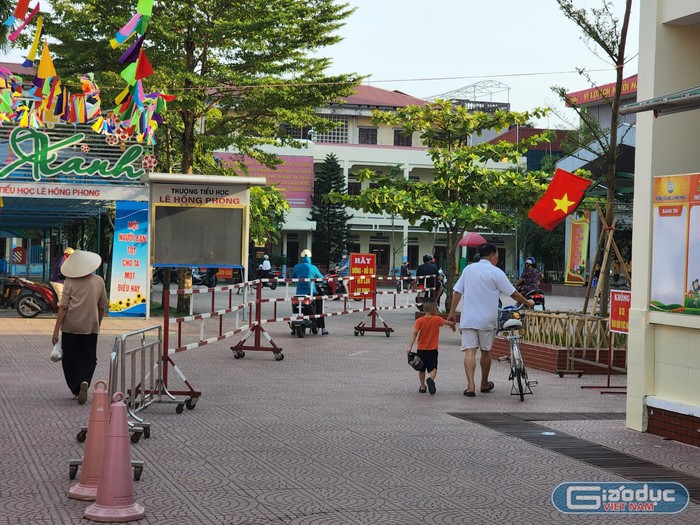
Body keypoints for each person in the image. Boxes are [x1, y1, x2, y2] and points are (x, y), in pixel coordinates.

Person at [446, 243, 535, 397]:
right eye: (497, 256)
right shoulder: (496, 272)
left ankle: (470, 386)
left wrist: (452, 313)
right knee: (486, 351)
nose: (497, 259)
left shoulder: (468, 270)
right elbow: (513, 293)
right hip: (487, 319)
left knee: (470, 351)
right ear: (492, 256)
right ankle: (484, 383)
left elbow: (457, 292)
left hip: (469, 318)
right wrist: (528, 302)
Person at [51, 250, 107, 405]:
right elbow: (101, 306)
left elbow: (63, 307)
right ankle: (85, 381)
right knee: (89, 358)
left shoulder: (70, 281)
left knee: (69, 359)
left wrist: (56, 330)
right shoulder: (99, 281)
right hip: (91, 326)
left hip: (70, 326)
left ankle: (76, 389)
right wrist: (98, 323)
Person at [406, 299, 455, 395]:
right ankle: (431, 379)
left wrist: (409, 347)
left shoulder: (419, 321)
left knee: (421, 368)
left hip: (421, 349)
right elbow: (447, 322)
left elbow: (414, 333)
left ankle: (422, 386)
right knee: (433, 368)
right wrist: (453, 324)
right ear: (433, 309)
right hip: (432, 349)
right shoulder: (437, 319)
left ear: (424, 309)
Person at [292, 249, 328, 335]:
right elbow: (321, 279)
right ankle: (323, 328)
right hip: (311, 292)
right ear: (309, 258)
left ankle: (293, 328)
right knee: (319, 306)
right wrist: (324, 282)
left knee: (295, 309)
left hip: (299, 293)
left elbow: (293, 278)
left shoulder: (296, 267)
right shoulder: (313, 267)